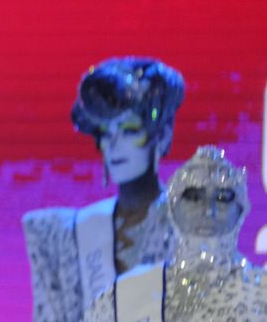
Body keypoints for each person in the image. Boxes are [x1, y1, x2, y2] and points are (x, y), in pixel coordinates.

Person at [22, 57, 185, 322]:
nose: (114, 144)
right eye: (106, 132)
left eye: (130, 130)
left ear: (162, 135)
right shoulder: (65, 234)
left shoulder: (192, 228)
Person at [84, 146, 267, 322]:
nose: (207, 210)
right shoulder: (124, 296)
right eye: (194, 197)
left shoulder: (261, 291)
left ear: (241, 209)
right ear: (172, 207)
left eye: (222, 198)